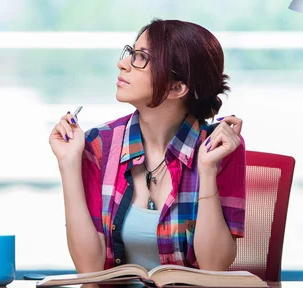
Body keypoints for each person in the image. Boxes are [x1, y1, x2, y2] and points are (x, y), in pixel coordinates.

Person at [49, 19, 245, 272]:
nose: (122, 64)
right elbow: (89, 269)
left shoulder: (219, 149)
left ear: (177, 87)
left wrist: (206, 169)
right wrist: (68, 163)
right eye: (130, 53)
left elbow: (214, 268)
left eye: (140, 58)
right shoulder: (99, 144)